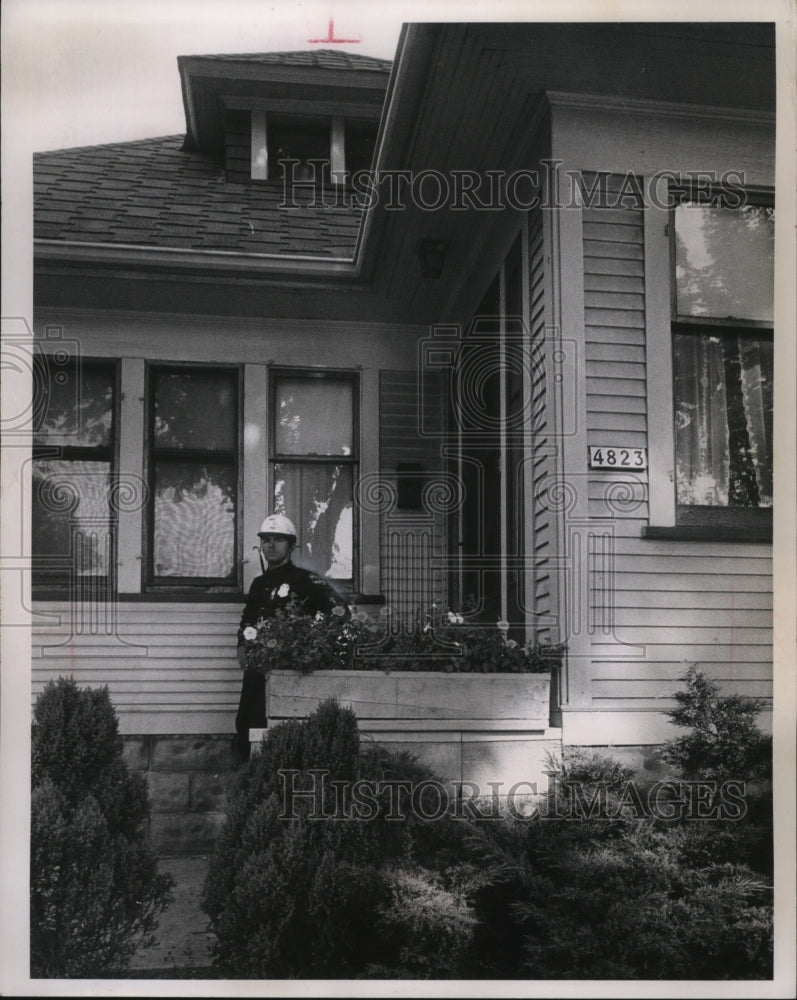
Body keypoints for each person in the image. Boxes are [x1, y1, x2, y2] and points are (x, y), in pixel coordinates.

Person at [234, 513, 348, 760]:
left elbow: (340, 612)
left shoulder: (306, 580)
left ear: (291, 546)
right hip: (258, 665)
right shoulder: (258, 583)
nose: (271, 545)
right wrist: (242, 644)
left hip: (290, 669)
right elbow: (248, 619)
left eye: (278, 540)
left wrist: (312, 641)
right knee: (247, 723)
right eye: (266, 540)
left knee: (281, 726)